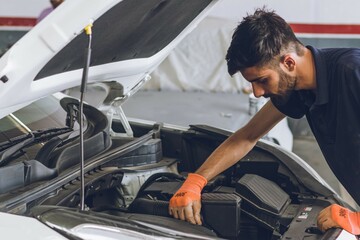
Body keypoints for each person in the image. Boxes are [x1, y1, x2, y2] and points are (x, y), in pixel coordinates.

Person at [168, 7, 360, 235]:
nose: (257, 92)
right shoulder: (300, 87)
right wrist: (195, 182)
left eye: (262, 80)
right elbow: (247, 136)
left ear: (289, 63)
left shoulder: (353, 72)